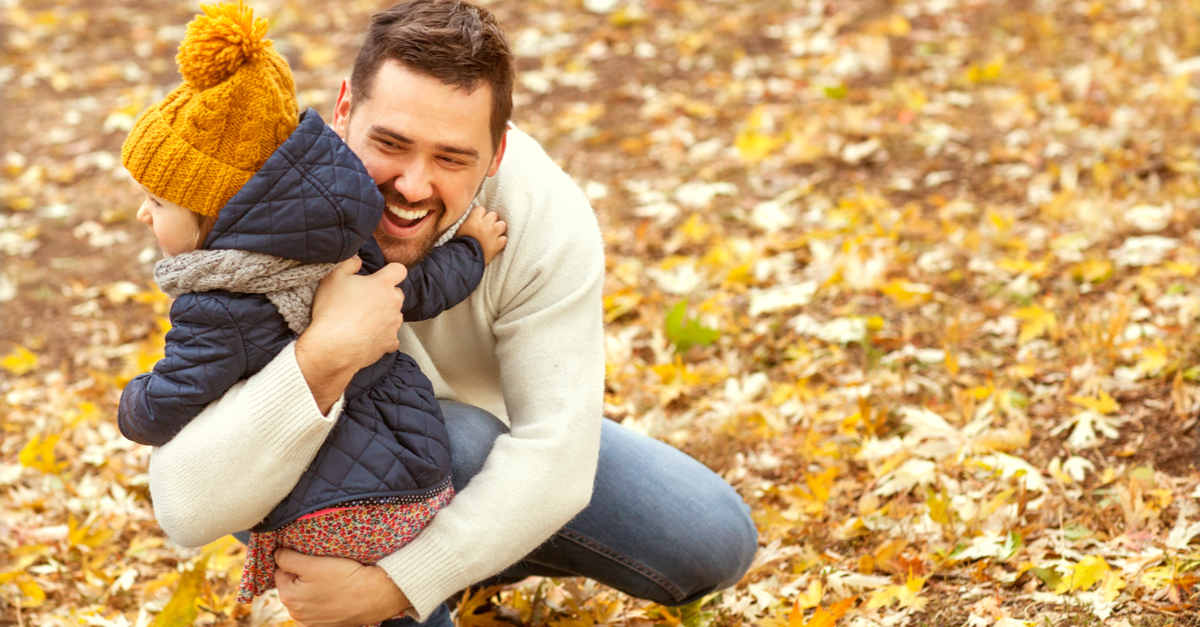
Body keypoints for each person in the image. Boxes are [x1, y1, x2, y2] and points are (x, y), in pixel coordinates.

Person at [142, 1, 760, 626]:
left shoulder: (543, 215)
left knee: (712, 539)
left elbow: (555, 454)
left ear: (496, 155)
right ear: (344, 111)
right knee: (446, 441)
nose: (412, 185)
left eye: (452, 158)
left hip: (488, 450)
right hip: (329, 488)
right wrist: (324, 355)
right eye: (390, 143)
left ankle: (464, 565)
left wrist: (392, 586)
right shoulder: (257, 205)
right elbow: (187, 503)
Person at [115, 2, 506, 615]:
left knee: (312, 563)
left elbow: (166, 408)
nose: (144, 214)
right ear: (348, 109)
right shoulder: (339, 244)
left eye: (158, 202)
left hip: (335, 516)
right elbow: (421, 287)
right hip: (420, 472)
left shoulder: (217, 306)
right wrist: (473, 252)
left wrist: (132, 401)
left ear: (214, 214)